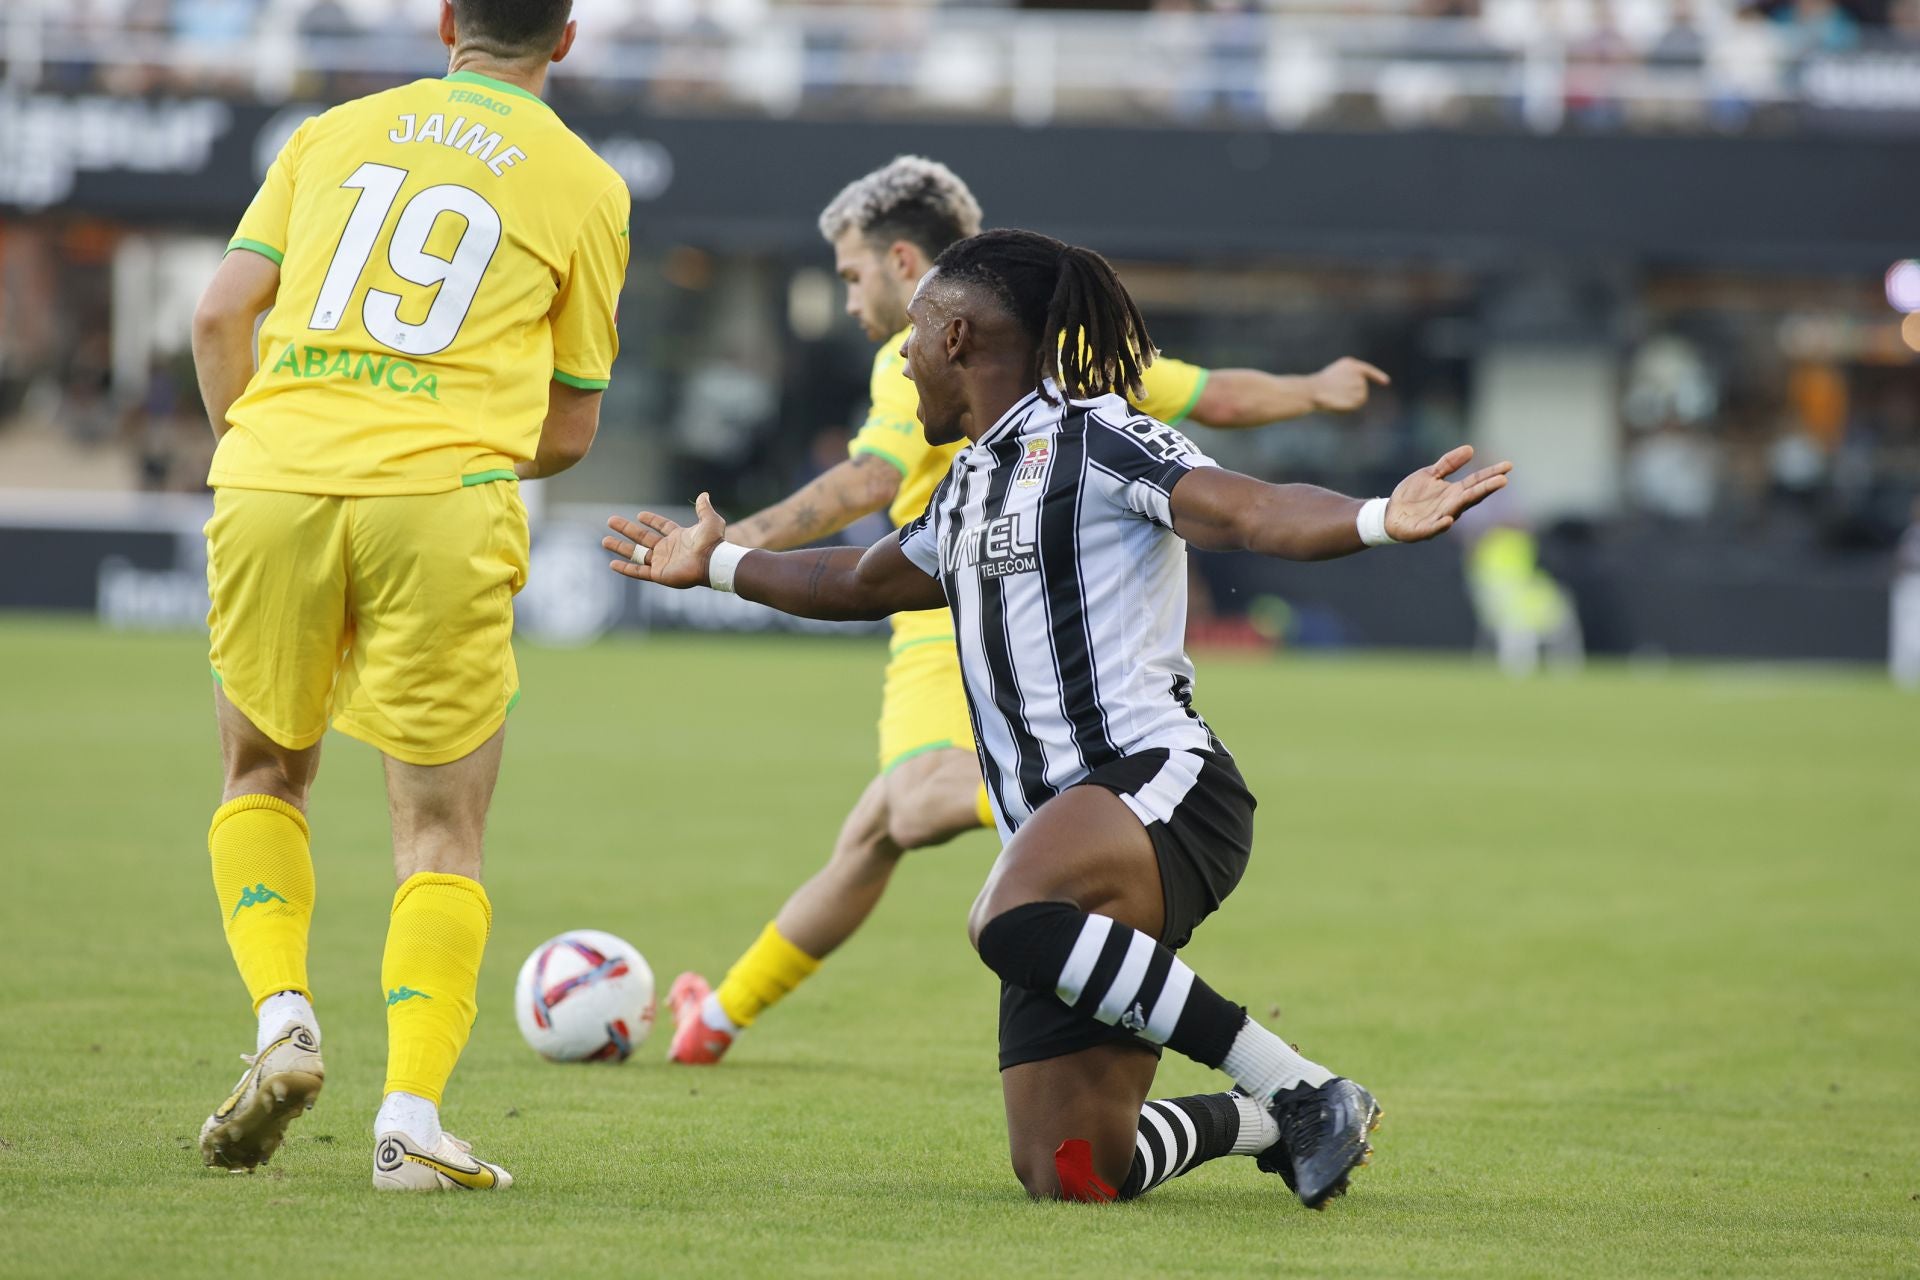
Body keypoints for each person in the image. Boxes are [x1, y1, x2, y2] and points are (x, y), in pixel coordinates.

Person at [603, 229, 1508, 1208]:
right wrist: (720, 561)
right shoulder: (965, 486)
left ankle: (1296, 1083)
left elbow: (1245, 510)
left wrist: (1378, 516)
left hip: (1156, 785)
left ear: (956, 336)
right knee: (1072, 1170)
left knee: (1007, 913)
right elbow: (854, 580)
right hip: (1060, 832)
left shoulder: (1100, 435)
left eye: (912, 334)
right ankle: (1268, 1122)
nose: (899, 355)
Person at [663, 154, 1389, 1067]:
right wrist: (1313, 390)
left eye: (851, 277)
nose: (852, 306)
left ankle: (1077, 817)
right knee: (1064, 1154)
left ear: (908, 273)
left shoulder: (919, 361)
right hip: (942, 584)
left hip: (963, 625)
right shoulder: (1066, 351)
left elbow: (870, 477)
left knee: (910, 822)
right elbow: (1217, 394)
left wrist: (737, 535)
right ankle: (720, 1016)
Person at [189, 0, 629, 1191]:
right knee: (441, 828)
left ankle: (284, 1017)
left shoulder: (330, 131)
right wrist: (442, 442)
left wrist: (276, 449)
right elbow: (572, 421)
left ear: (445, 19)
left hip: (272, 474)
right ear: (568, 36)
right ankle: (410, 1123)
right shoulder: (587, 182)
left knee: (262, 772)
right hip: (440, 502)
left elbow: (221, 312)